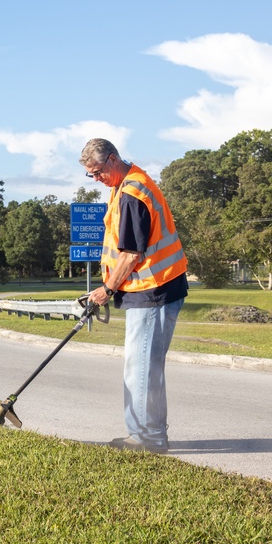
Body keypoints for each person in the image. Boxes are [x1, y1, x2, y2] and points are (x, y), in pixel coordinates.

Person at [80, 138, 188, 454]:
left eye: (98, 172)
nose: (96, 179)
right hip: (156, 287)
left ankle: (147, 438)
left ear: (113, 160)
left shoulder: (131, 193)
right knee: (145, 364)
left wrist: (107, 289)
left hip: (154, 289)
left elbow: (130, 254)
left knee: (141, 367)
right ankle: (150, 433)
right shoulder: (129, 182)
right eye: (91, 175)